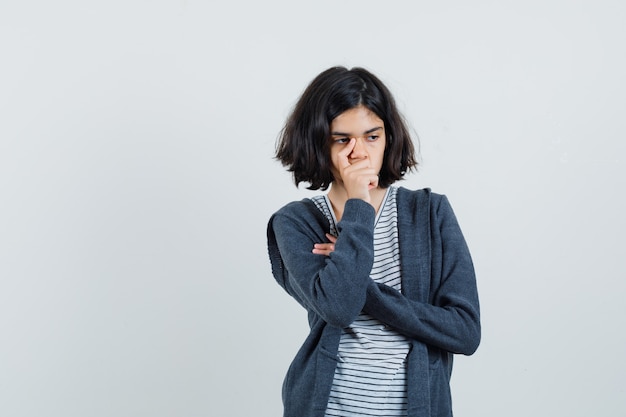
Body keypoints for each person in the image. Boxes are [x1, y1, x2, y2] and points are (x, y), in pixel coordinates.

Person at [266, 66, 480, 417]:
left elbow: (465, 332)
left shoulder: (430, 212)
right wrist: (358, 207)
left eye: (371, 136)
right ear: (317, 142)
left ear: (388, 137)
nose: (359, 153)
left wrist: (366, 287)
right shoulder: (295, 222)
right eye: (342, 139)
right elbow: (338, 307)